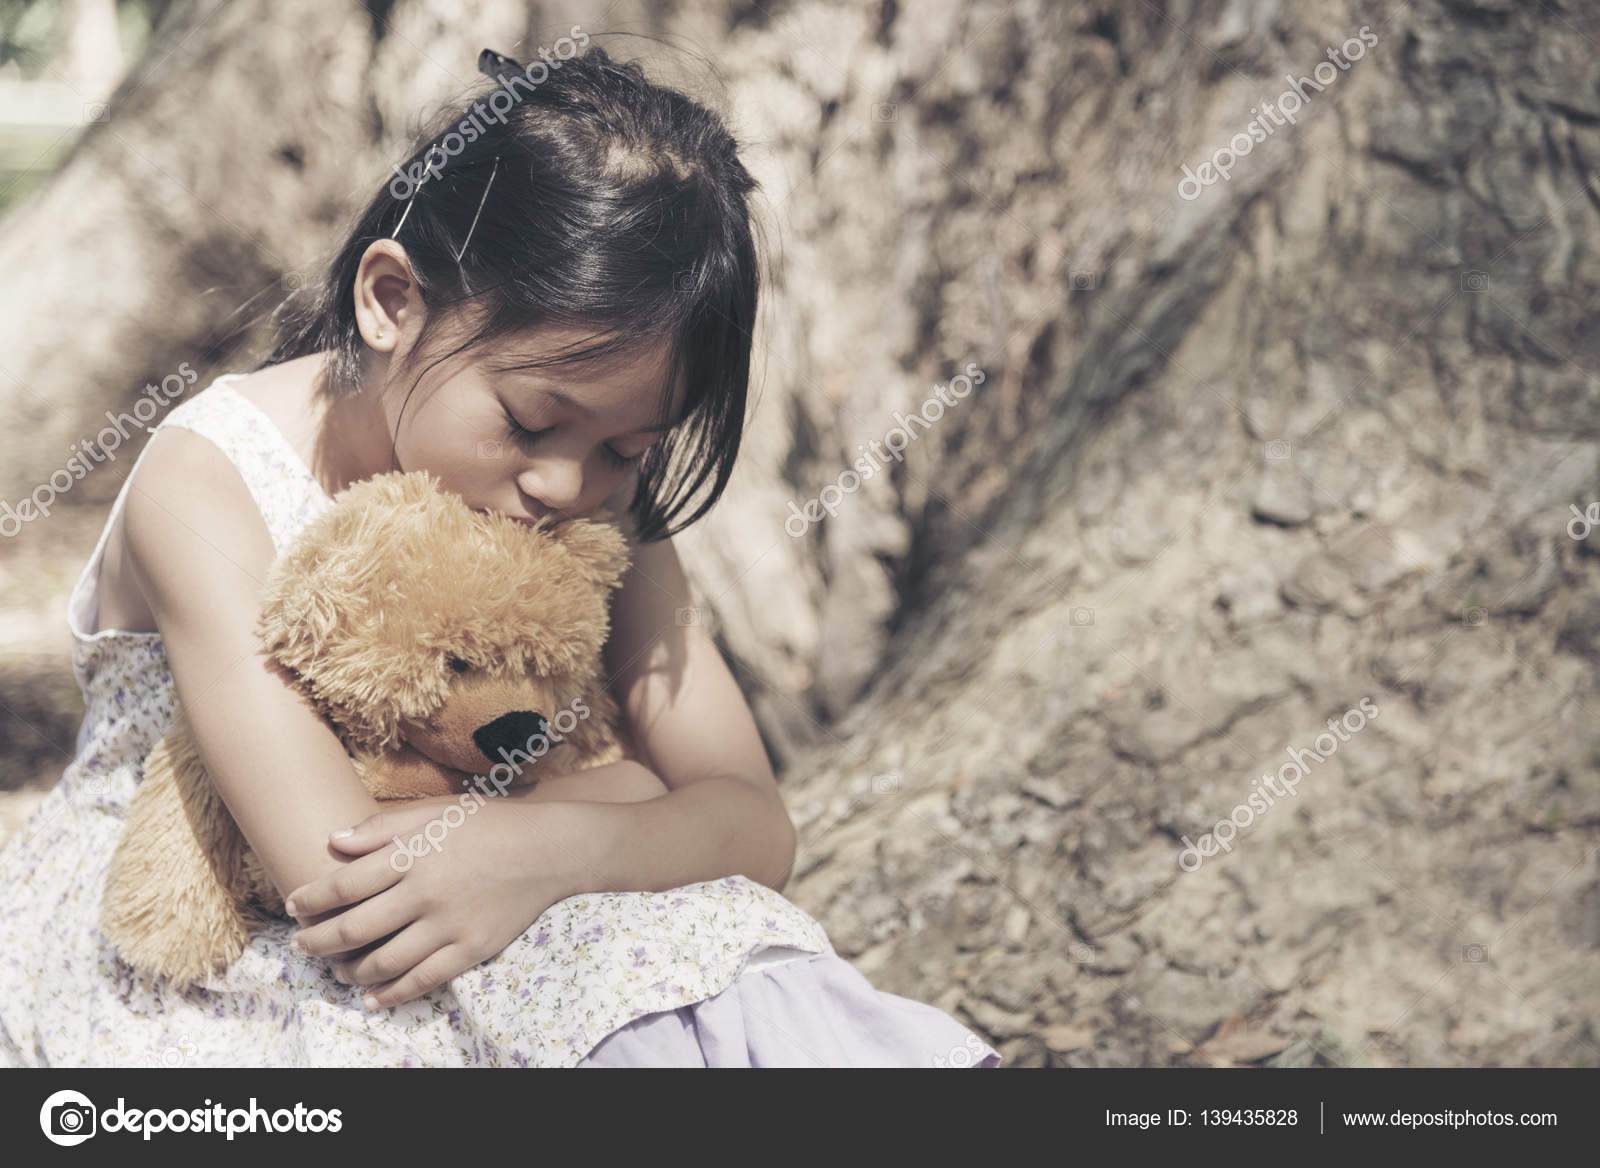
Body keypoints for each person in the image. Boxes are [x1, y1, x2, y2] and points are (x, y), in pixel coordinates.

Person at [0, 42, 1000, 1069]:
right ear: (390, 301)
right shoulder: (208, 480)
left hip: (497, 901)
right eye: (530, 422)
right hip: (215, 952)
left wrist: (551, 847)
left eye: (624, 449)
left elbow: (752, 821)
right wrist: (631, 801)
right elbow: (337, 870)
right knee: (618, 966)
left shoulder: (603, 507)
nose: (567, 486)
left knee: (735, 964)